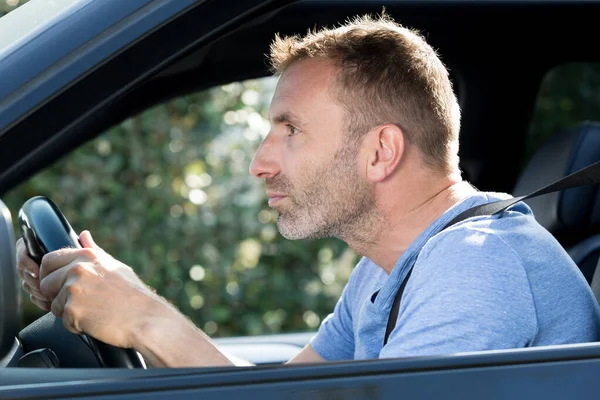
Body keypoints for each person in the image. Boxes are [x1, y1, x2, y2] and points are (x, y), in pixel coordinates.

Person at [16, 13, 600, 367]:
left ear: (381, 151)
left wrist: (146, 321)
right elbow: (289, 391)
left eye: (289, 130)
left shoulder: (477, 267)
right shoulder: (391, 268)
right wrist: (119, 303)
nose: (259, 163)